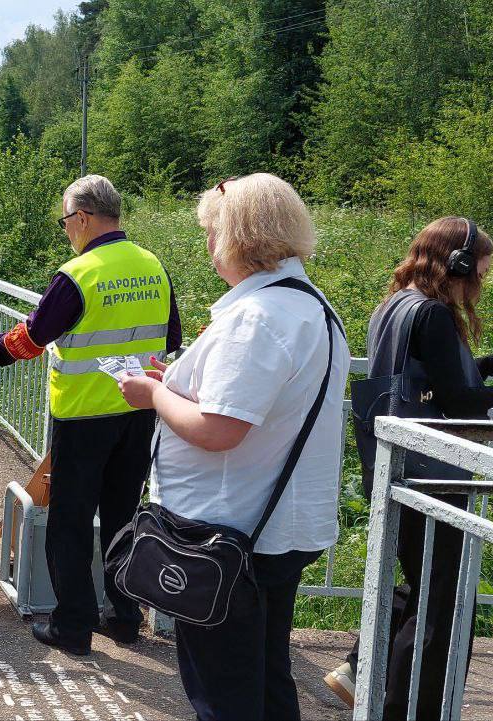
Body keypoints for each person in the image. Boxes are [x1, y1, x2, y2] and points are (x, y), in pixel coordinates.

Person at [118, 173, 351, 721]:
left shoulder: (257, 318)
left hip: (231, 531)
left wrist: (153, 392)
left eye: (211, 232)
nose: (207, 245)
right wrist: (177, 381)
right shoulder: (308, 306)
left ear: (235, 237)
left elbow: (218, 430)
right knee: (266, 674)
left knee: (223, 690)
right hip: (274, 526)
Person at [0, 174, 181, 654]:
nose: (66, 232)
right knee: (123, 518)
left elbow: (31, 338)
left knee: (71, 523)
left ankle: (72, 626)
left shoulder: (78, 274)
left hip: (82, 416)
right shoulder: (153, 265)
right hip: (140, 411)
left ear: (81, 218)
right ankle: (124, 618)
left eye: (65, 222)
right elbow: (172, 339)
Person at [322, 216, 491, 718]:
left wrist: (482, 369)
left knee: (423, 584)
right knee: (440, 599)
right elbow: (460, 402)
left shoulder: (395, 305)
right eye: (483, 262)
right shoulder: (435, 315)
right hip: (432, 472)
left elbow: (432, 381)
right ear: (457, 262)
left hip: (398, 466)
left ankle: (362, 672)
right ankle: (404, 704)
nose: (485, 272)